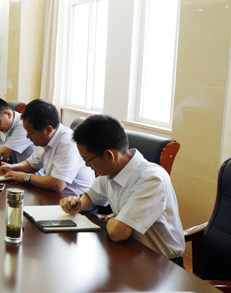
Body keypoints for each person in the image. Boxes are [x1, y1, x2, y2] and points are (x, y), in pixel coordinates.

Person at [59, 114, 185, 266]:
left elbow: (118, 233)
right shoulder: (111, 171)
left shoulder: (152, 179)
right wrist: (77, 203)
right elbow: (90, 198)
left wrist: (111, 218)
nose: (86, 165)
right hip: (128, 254)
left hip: (161, 265)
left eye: (87, 160)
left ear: (109, 155)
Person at [0, 99, 94, 196]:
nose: (27, 136)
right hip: (54, 196)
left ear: (48, 130)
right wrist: (12, 167)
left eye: (31, 132)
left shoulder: (67, 143)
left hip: (76, 202)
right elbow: (31, 165)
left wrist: (25, 177)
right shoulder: (44, 139)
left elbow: (57, 184)